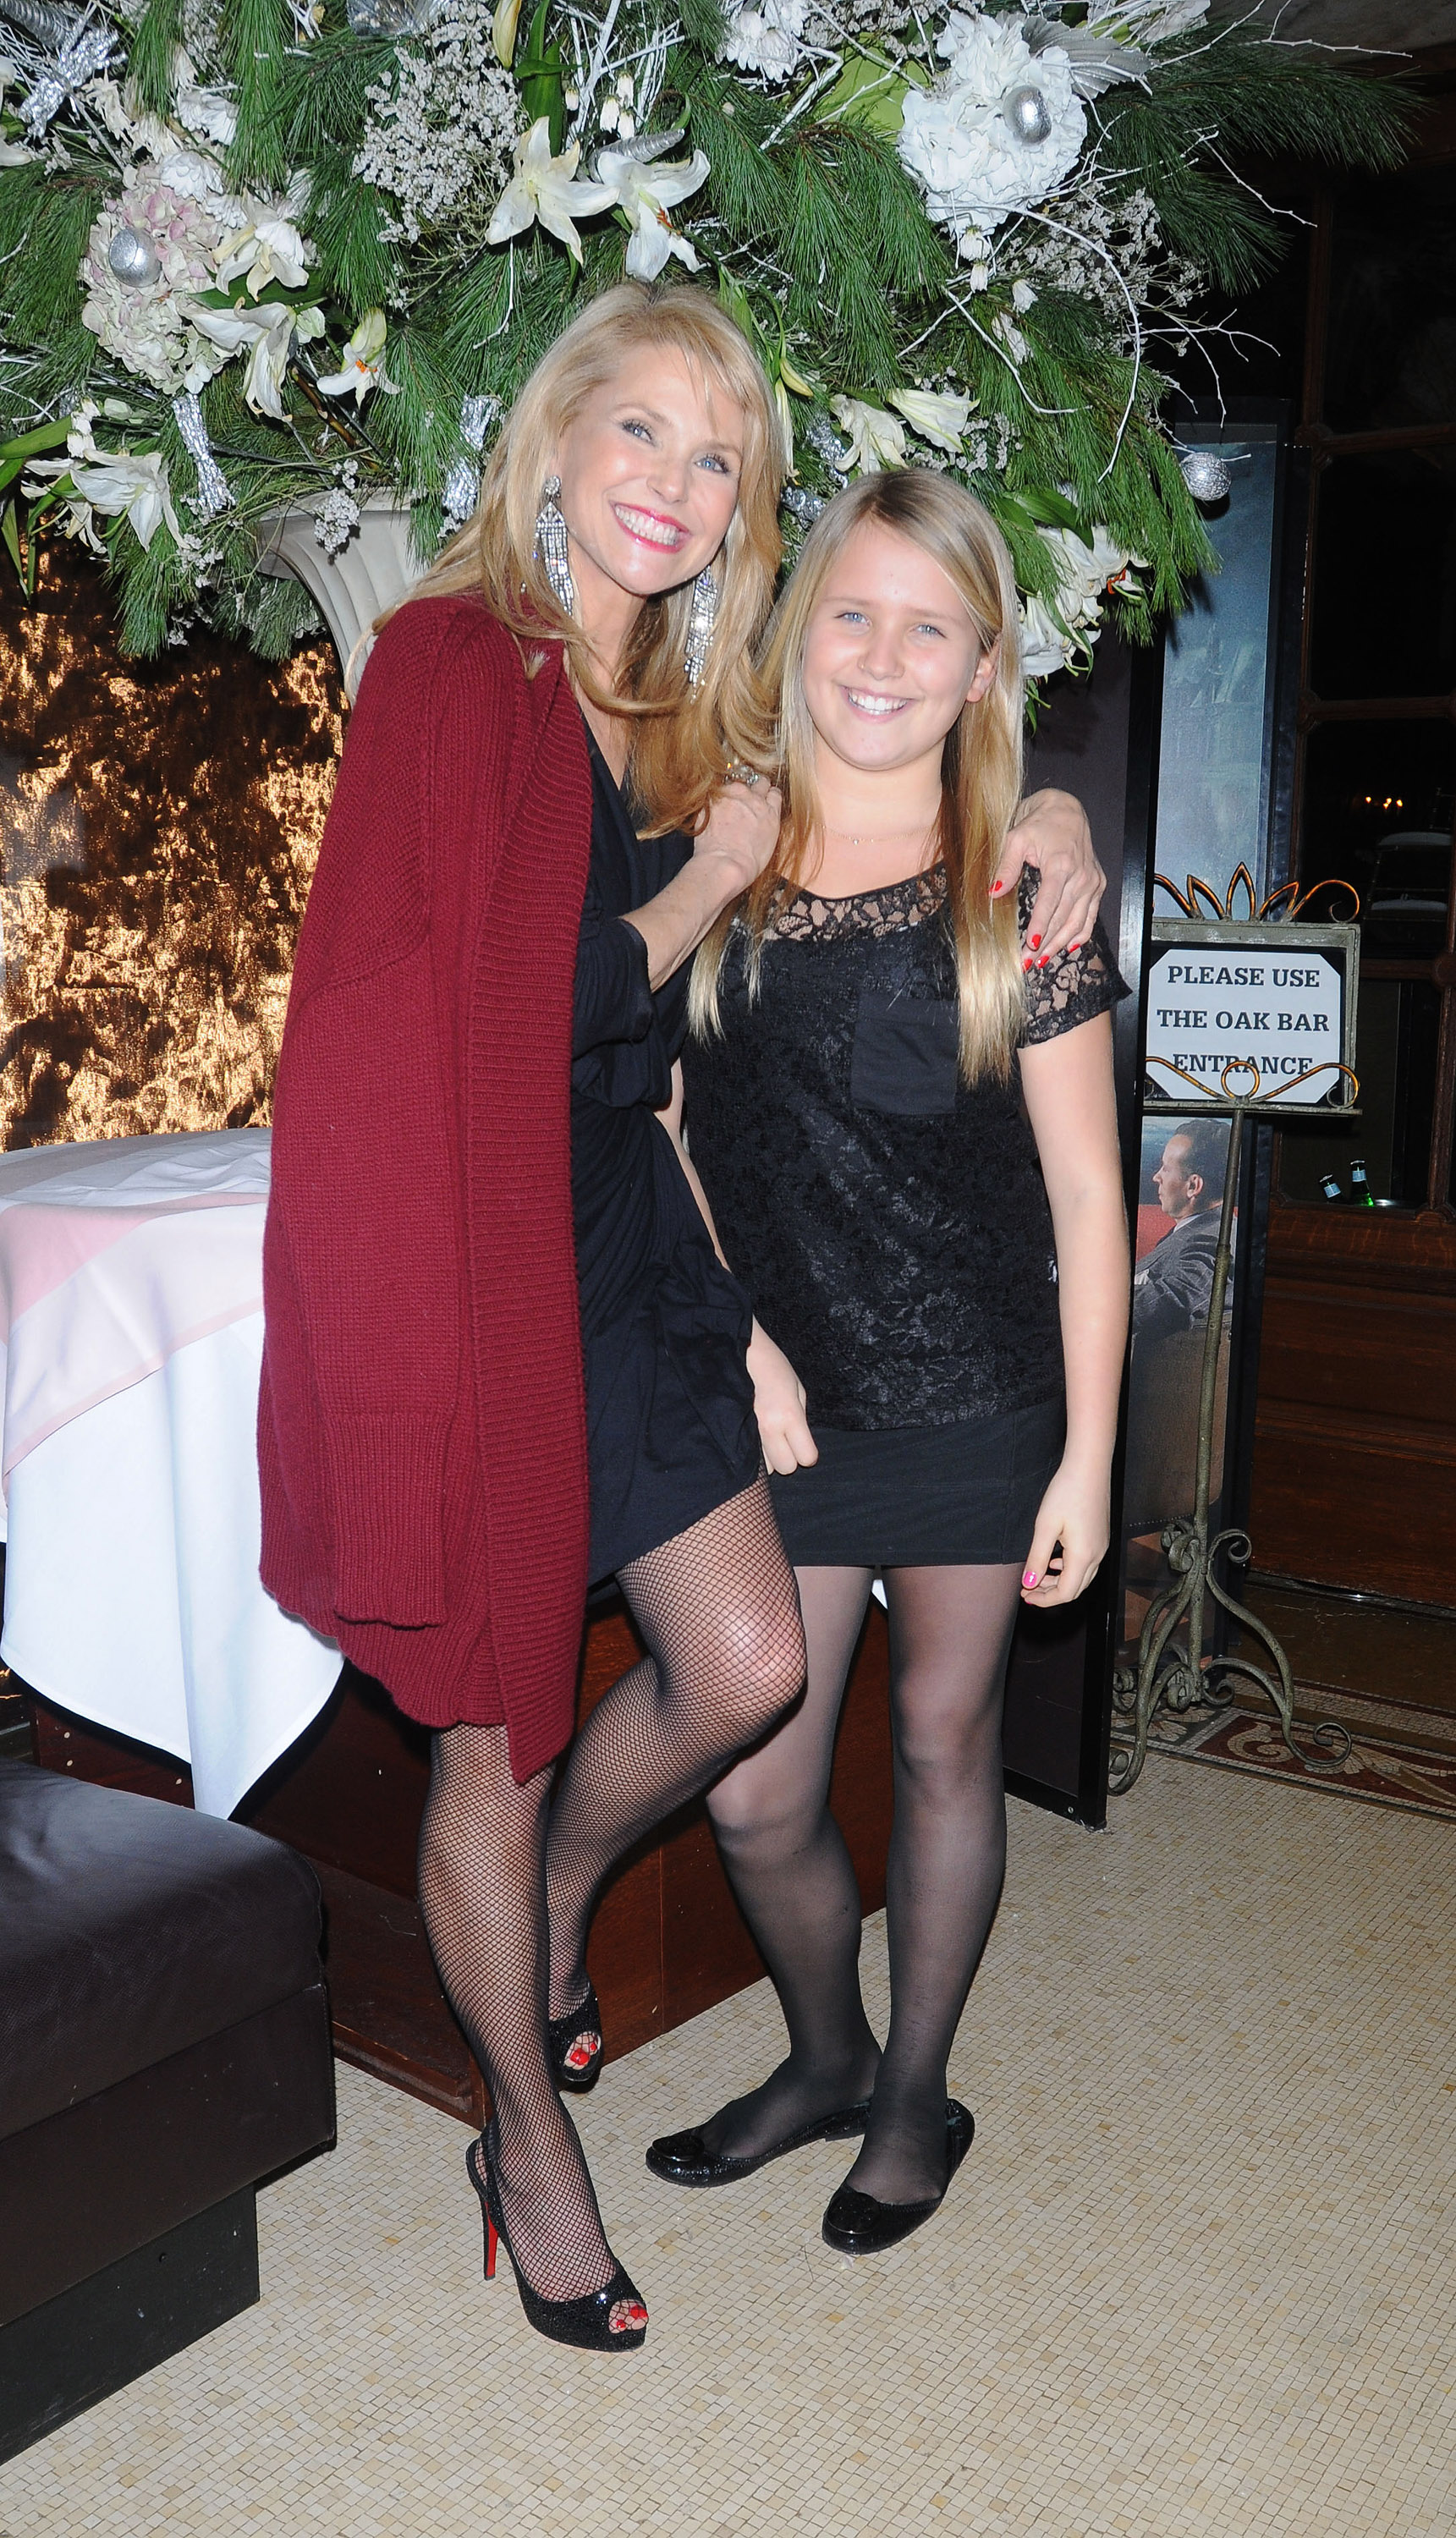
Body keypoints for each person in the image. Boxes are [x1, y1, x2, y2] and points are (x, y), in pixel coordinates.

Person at [259, 284, 1107, 2350]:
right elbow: (543, 1015)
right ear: (552, 441)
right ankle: (522, 2145)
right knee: (534, 1714)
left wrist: (1055, 815)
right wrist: (714, 872)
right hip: (501, 1272)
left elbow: (913, 849)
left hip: (691, 1278)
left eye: (712, 456)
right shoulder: (464, 665)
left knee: (758, 1679)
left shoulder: (687, 712)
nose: (669, 482)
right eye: (635, 433)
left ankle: (567, 1916)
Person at [648, 468, 1131, 2256]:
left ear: (981, 663)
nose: (878, 652)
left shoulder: (1022, 893)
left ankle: (913, 2093)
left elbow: (1089, 1204)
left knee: (941, 1740)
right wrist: (746, 1345)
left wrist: (1086, 1461)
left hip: (974, 1386)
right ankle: (825, 2054)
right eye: (847, 611)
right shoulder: (718, 847)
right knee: (757, 1779)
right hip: (774, 1399)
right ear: (794, 635)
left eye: (926, 625)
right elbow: (668, 1121)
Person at [1132, 1119, 1228, 1343]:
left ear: (1193, 1186)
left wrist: (1096, 1298)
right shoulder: (1199, 1230)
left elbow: (1175, 1299)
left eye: (1166, 1168)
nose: (1157, 1177)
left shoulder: (1212, 1241)